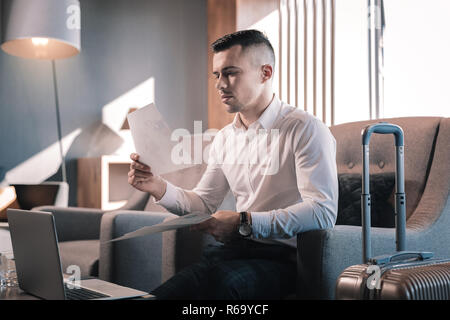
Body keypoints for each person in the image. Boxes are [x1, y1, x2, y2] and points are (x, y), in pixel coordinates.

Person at [127, 29, 338, 299]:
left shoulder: (305, 129)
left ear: (265, 73)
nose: (220, 84)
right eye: (217, 75)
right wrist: (157, 187)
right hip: (234, 252)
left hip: (289, 259)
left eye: (231, 72)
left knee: (219, 287)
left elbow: (322, 211)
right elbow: (203, 203)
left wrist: (245, 222)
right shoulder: (225, 138)